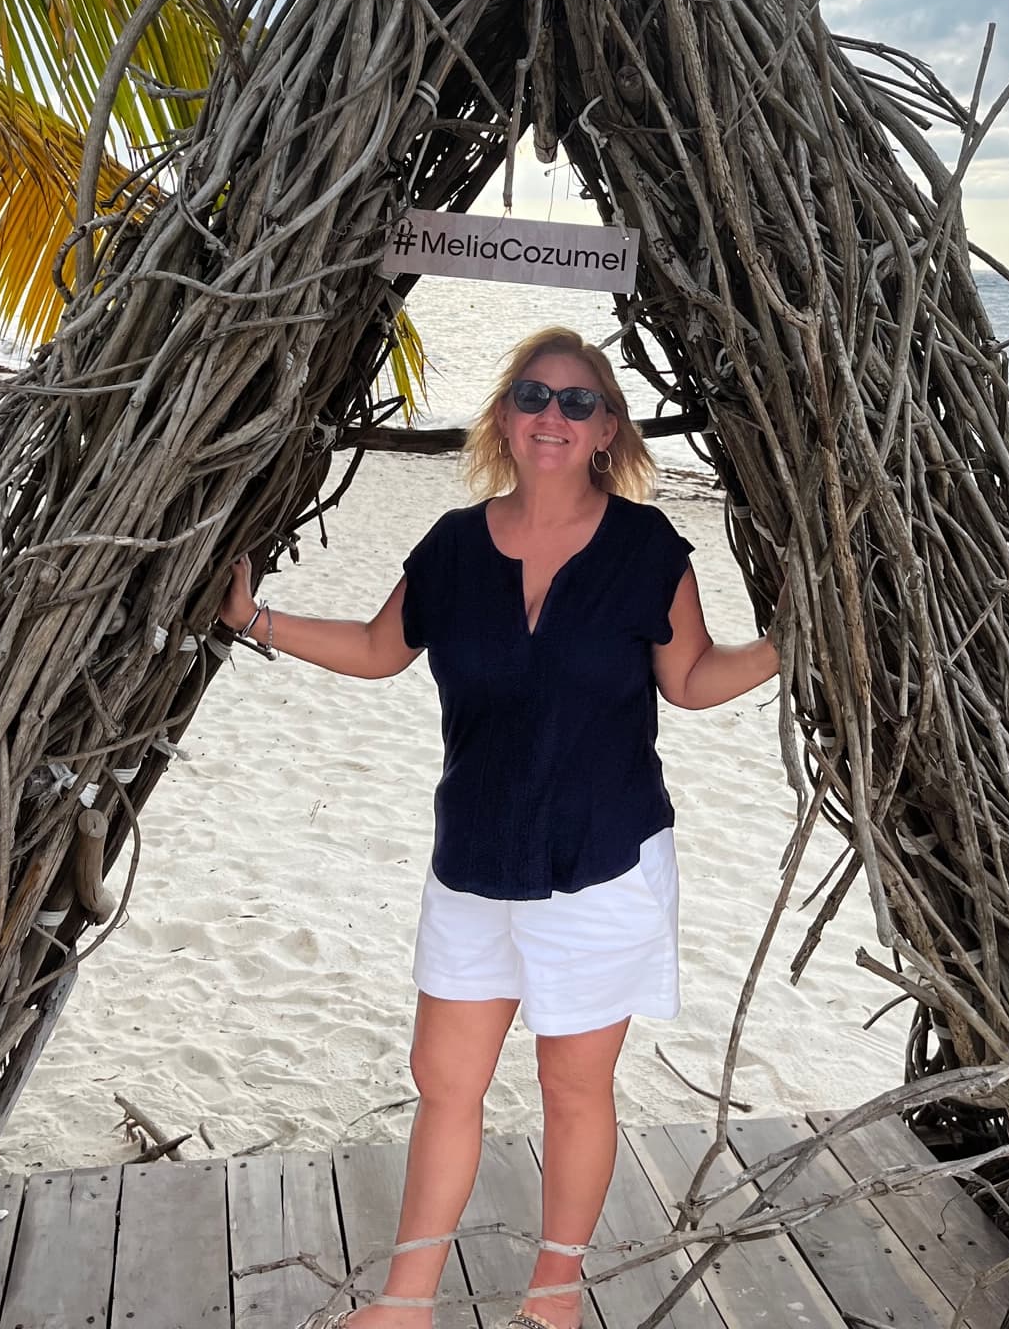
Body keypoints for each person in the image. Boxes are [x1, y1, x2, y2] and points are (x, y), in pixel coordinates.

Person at [218, 327, 781, 1329]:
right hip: (474, 857)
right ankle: (407, 1303)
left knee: (573, 1087)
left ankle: (554, 1296)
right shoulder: (452, 546)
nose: (551, 416)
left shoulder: (647, 549)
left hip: (602, 862)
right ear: (504, 418)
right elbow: (379, 648)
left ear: (607, 430)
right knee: (444, 1081)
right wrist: (255, 620)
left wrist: (791, 644)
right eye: (532, 396)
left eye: (577, 401)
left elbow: (692, 679)